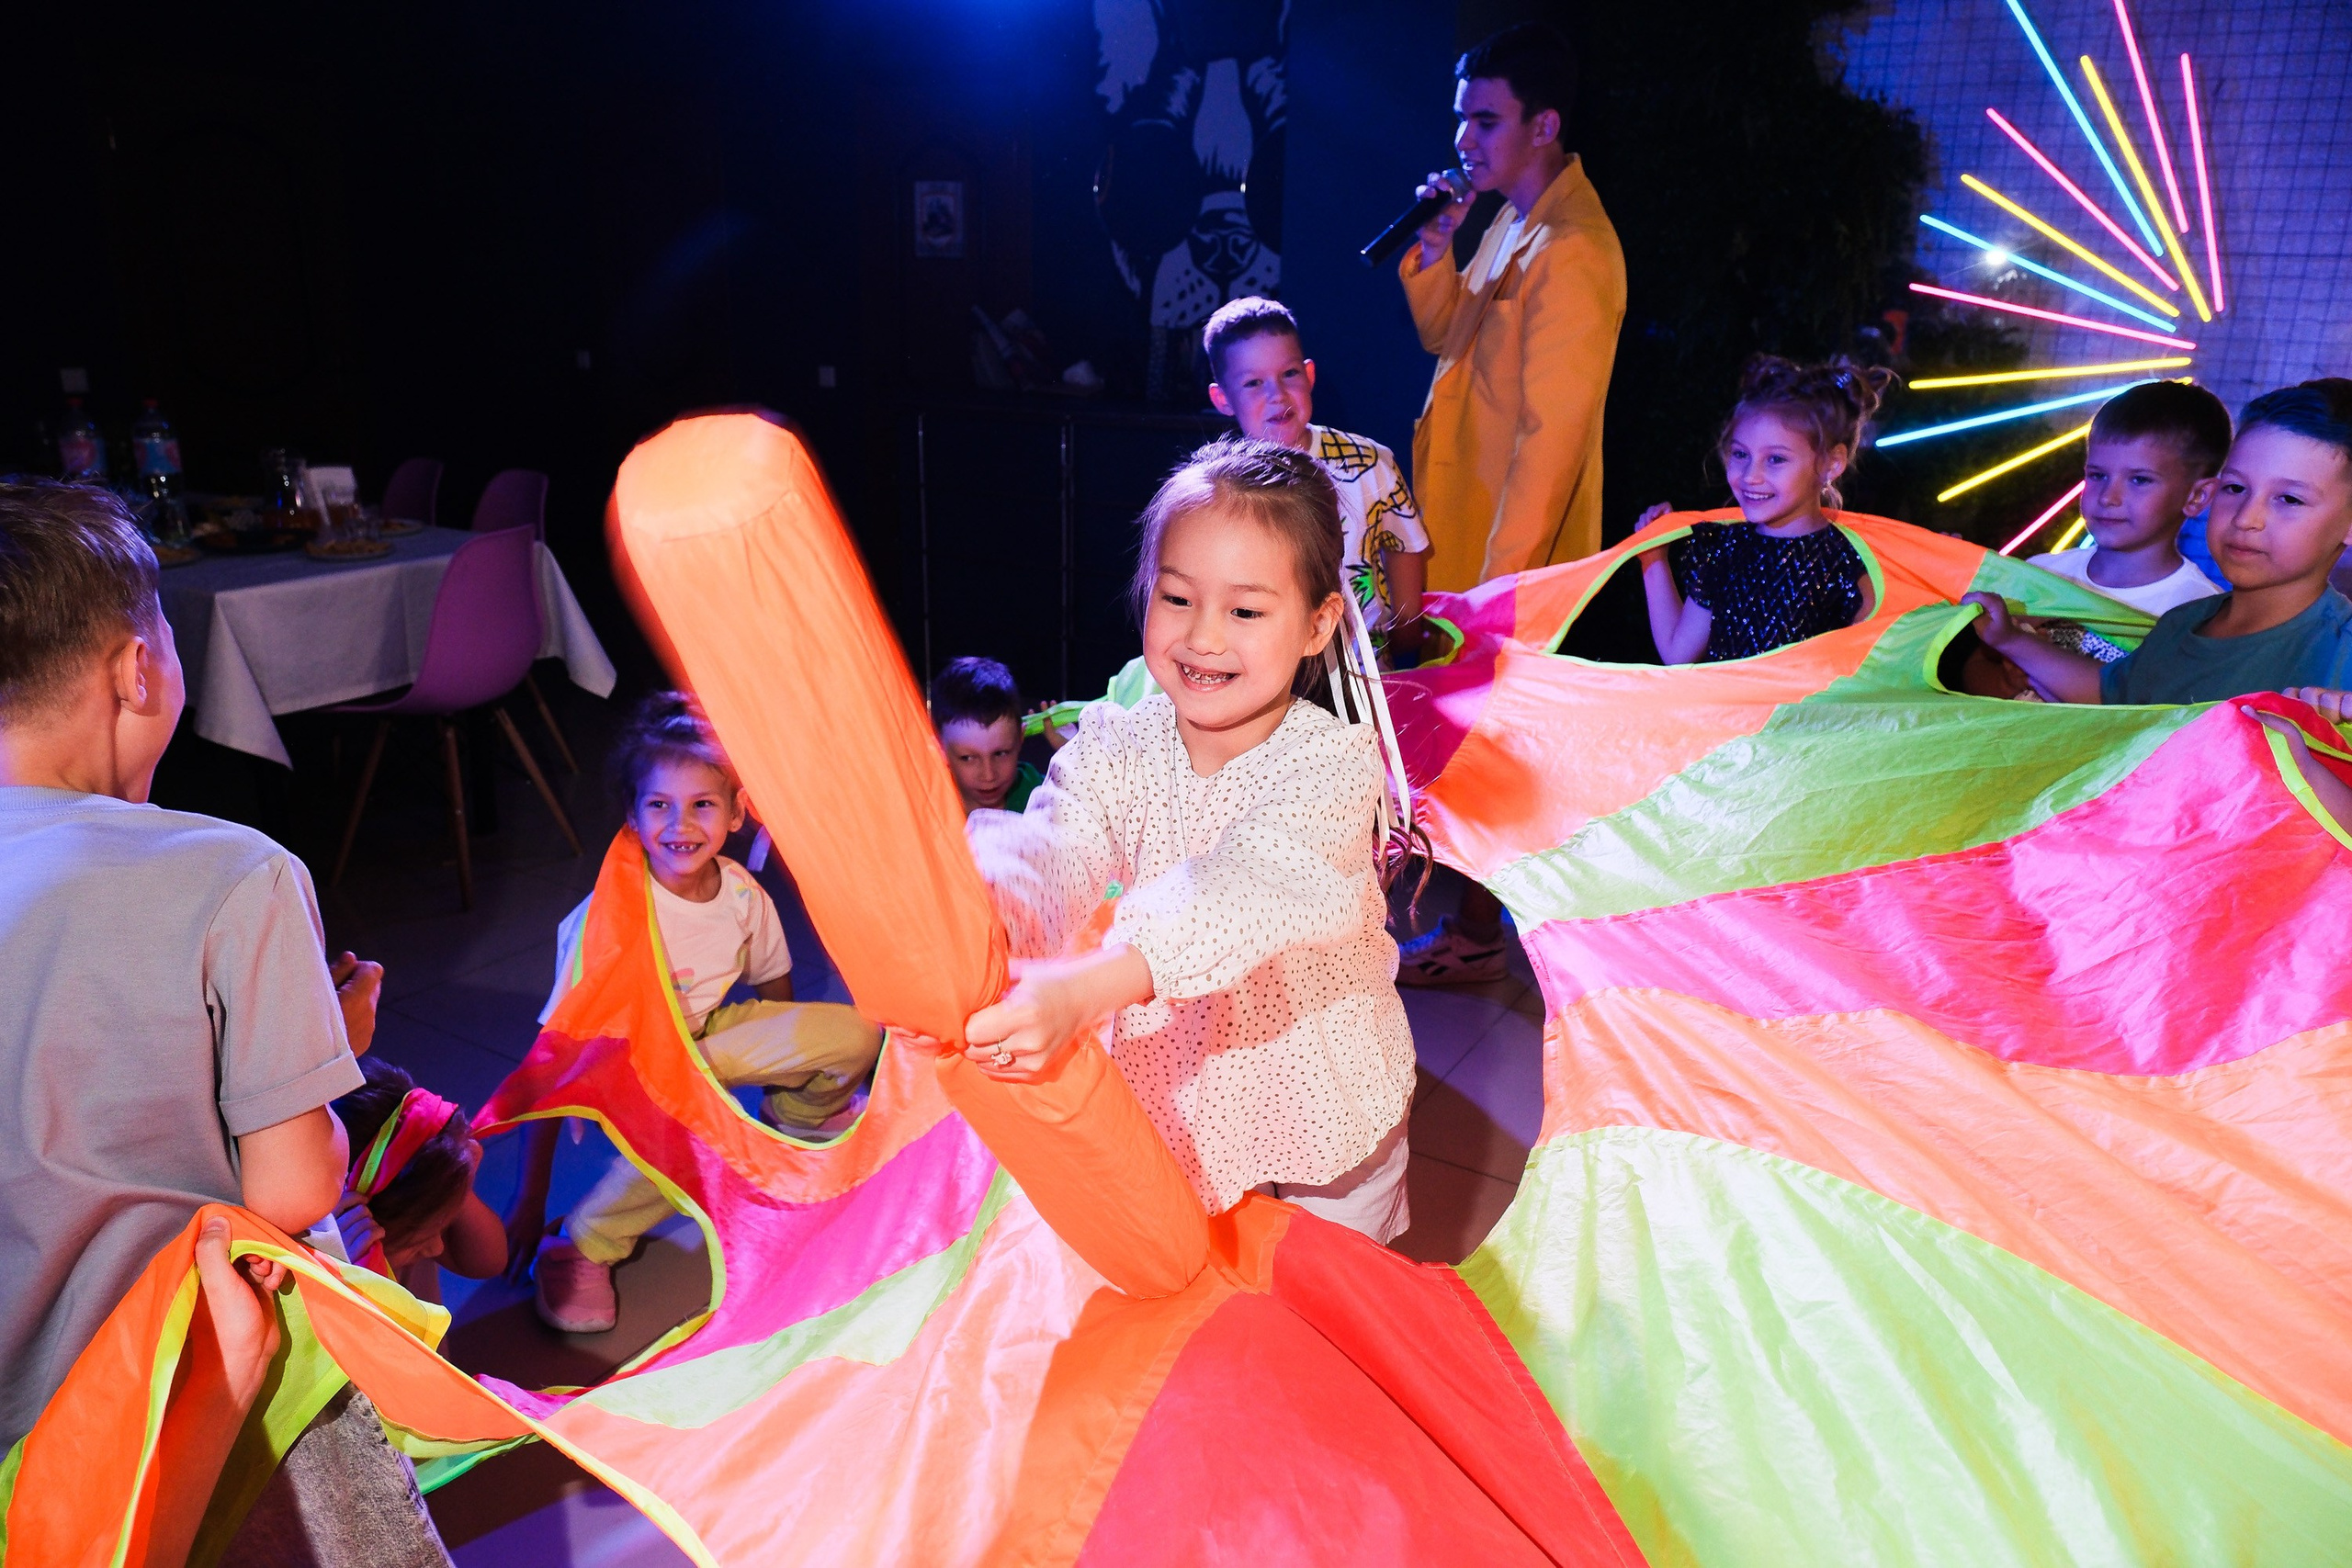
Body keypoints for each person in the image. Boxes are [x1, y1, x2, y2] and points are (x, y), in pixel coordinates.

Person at [0, 479, 450, 1564]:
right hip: (187, 1391)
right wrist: (319, 1053)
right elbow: (292, 1189)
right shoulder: (235, 874)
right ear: (138, 669)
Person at [957, 438, 1418, 1244]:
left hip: (1327, 1111)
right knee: (1201, 1321)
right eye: (1177, 598)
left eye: (1244, 610)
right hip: (1188, 1100)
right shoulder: (1113, 747)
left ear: (1317, 625)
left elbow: (1242, 888)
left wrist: (1091, 985)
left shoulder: (1333, 765)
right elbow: (1058, 849)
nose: (1203, 637)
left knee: (1332, 1319)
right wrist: (987, 883)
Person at [522, 693, 884, 1333]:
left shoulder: (743, 895)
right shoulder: (606, 921)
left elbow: (779, 993)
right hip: (631, 1067)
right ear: (631, 817)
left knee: (857, 1032)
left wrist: (796, 1081)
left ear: (737, 813)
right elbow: (549, 1057)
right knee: (698, 1123)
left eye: (702, 804)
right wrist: (529, 1200)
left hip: (709, 1037)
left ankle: (796, 1120)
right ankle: (581, 1243)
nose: (680, 824)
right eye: (659, 804)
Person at [1965, 379, 2352, 716]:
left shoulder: (2341, 653)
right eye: (2236, 488)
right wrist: (2010, 640)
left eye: (2289, 499)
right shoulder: (2181, 623)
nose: (2246, 518)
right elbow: (2112, 695)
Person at [1400, 21, 1626, 590]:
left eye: (1486, 121)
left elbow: (1550, 443)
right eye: (1462, 118)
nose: (1463, 139)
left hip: (1502, 567)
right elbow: (1443, 335)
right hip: (1456, 525)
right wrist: (1436, 247)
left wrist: (1500, 589)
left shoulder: (1573, 249)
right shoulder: (1512, 217)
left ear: (1543, 125)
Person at [1203, 296, 1433, 656]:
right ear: (1223, 400)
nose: (1277, 395)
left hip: (1363, 667)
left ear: (1309, 375)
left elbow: (1403, 546)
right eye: (1253, 383)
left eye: (1289, 374)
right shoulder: (1217, 487)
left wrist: (1407, 642)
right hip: (1259, 665)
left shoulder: (1369, 463)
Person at [1635, 355, 1893, 664]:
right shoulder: (1723, 548)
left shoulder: (1850, 561)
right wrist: (1653, 559)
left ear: (1830, 464)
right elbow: (1678, 655)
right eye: (1741, 454)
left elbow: (1873, 674)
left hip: (1801, 713)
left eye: (1776, 459)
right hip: (1726, 713)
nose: (1749, 476)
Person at [2028, 380, 2230, 621]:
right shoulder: (2038, 575)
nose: (2108, 498)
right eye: (2098, 475)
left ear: (2197, 496)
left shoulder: (2199, 612)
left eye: (2140, 480)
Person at [326, 1057, 506, 1303]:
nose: (437, 1248)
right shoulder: (324, 1271)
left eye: (440, 1228)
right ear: (353, 1216)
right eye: (419, 1243)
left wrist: (458, 1188)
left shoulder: (399, 1228)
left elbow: (488, 1263)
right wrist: (354, 1281)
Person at [933, 655, 1046, 813]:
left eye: (1000, 753)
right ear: (939, 749)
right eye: (967, 758)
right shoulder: (928, 808)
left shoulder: (1037, 791)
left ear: (1020, 738)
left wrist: (1075, 757)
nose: (989, 775)